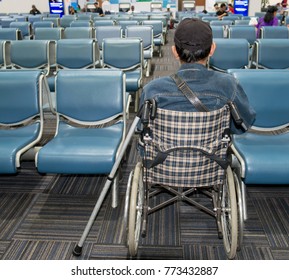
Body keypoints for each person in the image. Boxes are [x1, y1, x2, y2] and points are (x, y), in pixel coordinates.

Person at [140, 18, 255, 134]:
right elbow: (244, 123)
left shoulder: (152, 89)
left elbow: (143, 129)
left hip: (162, 151)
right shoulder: (229, 85)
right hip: (214, 151)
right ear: (212, 49)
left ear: (174, 51)